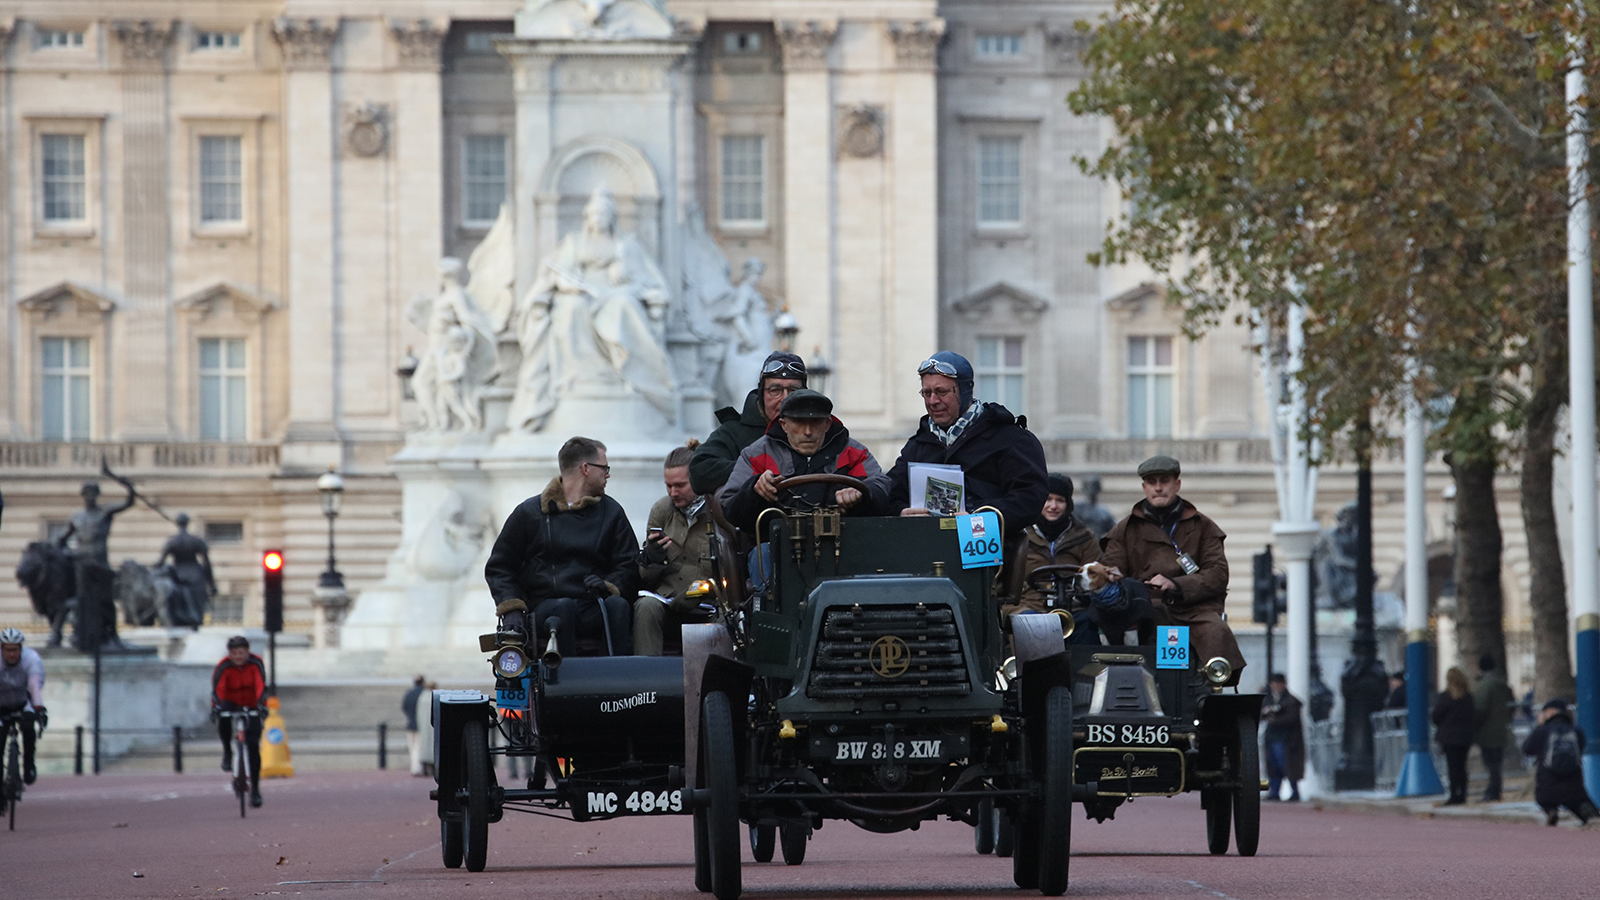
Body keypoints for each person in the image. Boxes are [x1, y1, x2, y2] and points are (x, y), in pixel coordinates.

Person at [485, 437, 638, 658]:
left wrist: (608, 585)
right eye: (604, 468)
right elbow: (500, 566)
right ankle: (562, 684)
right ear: (585, 468)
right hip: (545, 608)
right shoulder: (530, 512)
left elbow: (629, 563)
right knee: (562, 607)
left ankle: (612, 683)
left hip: (593, 604)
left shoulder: (612, 512)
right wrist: (512, 608)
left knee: (618, 606)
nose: (608, 474)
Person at [1099, 455, 1246, 683]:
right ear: (1144, 487)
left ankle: (1211, 691)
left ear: (1177, 484)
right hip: (1146, 610)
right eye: (1152, 482)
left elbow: (1217, 574)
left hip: (1196, 611)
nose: (1158, 488)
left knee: (1216, 633)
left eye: (1164, 481)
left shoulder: (1203, 526)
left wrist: (1176, 584)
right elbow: (1113, 571)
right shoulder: (1125, 530)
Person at [885, 352, 1047, 543]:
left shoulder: (1010, 438)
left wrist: (980, 519)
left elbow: (1030, 496)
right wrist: (901, 512)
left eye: (941, 392)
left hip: (986, 554)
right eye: (926, 393)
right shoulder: (918, 444)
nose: (932, 401)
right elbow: (890, 493)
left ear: (964, 391)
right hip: (925, 550)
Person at [718, 390, 889, 532]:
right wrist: (754, 489)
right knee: (760, 560)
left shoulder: (853, 452)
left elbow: (882, 486)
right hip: (773, 543)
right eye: (799, 422)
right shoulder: (757, 454)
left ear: (827, 424)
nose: (807, 432)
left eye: (815, 422)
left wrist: (863, 494)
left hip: (846, 541)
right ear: (784, 424)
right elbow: (729, 506)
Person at [634, 441, 719, 656]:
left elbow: (731, 572)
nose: (673, 492)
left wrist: (698, 591)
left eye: (680, 485)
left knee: (727, 620)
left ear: (698, 479)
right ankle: (646, 683)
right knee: (645, 608)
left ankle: (713, 684)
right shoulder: (661, 511)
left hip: (709, 605)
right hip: (669, 603)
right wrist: (652, 558)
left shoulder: (720, 511)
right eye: (668, 486)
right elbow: (646, 578)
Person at [690, 351, 807, 495]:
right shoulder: (733, 432)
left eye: (793, 390)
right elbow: (700, 470)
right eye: (775, 390)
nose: (785, 399)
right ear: (762, 394)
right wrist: (756, 473)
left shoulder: (823, 432)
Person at [1005, 473, 1100, 619]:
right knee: (1029, 625)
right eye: (1047, 499)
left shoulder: (1084, 537)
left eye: (1060, 500)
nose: (1053, 506)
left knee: (1087, 624)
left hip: (1073, 607)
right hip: (1027, 605)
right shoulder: (1019, 536)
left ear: (1068, 504)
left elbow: (1096, 575)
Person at [58, 476, 137, 651]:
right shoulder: (76, 518)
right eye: (87, 493)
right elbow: (62, 540)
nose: (90, 496)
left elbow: (128, 503)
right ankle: (80, 634)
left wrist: (128, 486)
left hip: (100, 565)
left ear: (97, 495)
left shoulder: (104, 512)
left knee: (106, 601)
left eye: (93, 493)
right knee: (82, 600)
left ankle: (112, 635)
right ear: (83, 495)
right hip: (81, 565)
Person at [1521, 699, 1597, 826]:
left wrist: (1539, 726)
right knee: (1578, 801)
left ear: (1550, 712)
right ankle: (1590, 816)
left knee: (1544, 799)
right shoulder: (1576, 731)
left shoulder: (1542, 731)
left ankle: (1551, 811)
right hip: (1573, 782)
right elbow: (1581, 747)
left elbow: (1527, 749)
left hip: (1548, 782)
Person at [212, 635, 267, 808]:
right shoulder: (223, 666)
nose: (238, 657)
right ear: (229, 653)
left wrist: (261, 705)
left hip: (251, 704)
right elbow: (218, 689)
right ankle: (227, 752)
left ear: (247, 652)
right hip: (230, 702)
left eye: (241, 653)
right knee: (224, 720)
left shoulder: (256, 663)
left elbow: (261, 685)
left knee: (253, 746)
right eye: (234, 653)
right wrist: (216, 707)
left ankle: (256, 790)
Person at [0, 628, 46, 785]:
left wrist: (39, 708)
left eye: (15, 650)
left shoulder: (31, 659)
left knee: (28, 727)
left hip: (22, 701)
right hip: (1, 704)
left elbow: (34, 685)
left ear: (21, 649)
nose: (11, 654)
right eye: (7, 650)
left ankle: (29, 764)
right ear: (1, 649)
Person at [155, 513, 215, 629]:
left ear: (177, 524)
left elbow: (160, 563)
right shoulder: (197, 540)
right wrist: (211, 584)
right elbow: (207, 563)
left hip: (178, 574)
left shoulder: (172, 541)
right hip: (195, 574)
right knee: (198, 609)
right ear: (187, 523)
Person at [1471, 654, 1515, 802]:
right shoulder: (1503, 684)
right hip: (1501, 728)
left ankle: (1493, 791)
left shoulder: (1484, 686)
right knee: (1496, 763)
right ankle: (1495, 790)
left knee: (1491, 764)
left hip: (1487, 730)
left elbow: (1480, 708)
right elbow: (1511, 706)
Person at [1431, 666, 1475, 806]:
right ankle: (1462, 793)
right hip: (1464, 736)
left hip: (1449, 737)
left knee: (1452, 767)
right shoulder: (1468, 697)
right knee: (1462, 766)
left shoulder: (1446, 697)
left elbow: (1436, 716)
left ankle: (1454, 794)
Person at [1261, 673, 1305, 802]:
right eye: (1272, 684)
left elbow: (1290, 718)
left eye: (1277, 683)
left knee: (1287, 766)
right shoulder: (1268, 699)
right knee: (1273, 766)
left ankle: (1295, 792)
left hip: (1287, 740)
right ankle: (1274, 792)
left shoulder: (1291, 701)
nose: (1274, 686)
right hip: (1272, 738)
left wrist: (1273, 719)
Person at [1075, 475, 1117, 540]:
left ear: (1099, 488)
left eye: (1094, 486)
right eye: (1088, 486)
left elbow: (1115, 532)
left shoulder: (1104, 514)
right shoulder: (1076, 508)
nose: (1091, 489)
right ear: (1083, 488)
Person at [402, 675, 427, 776]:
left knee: (412, 747)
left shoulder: (409, 694)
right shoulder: (423, 694)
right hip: (421, 724)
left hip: (410, 723)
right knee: (418, 746)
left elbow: (404, 707)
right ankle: (417, 768)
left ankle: (414, 767)